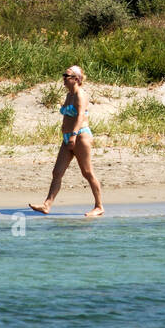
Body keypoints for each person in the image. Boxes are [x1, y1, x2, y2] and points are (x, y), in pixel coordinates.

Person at [29, 65, 104, 217]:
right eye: (63, 75)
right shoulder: (69, 95)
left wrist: (74, 135)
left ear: (76, 79)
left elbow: (80, 116)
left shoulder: (80, 95)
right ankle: (47, 205)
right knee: (57, 172)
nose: (63, 78)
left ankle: (99, 206)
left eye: (66, 76)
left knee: (87, 172)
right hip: (68, 137)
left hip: (80, 136)